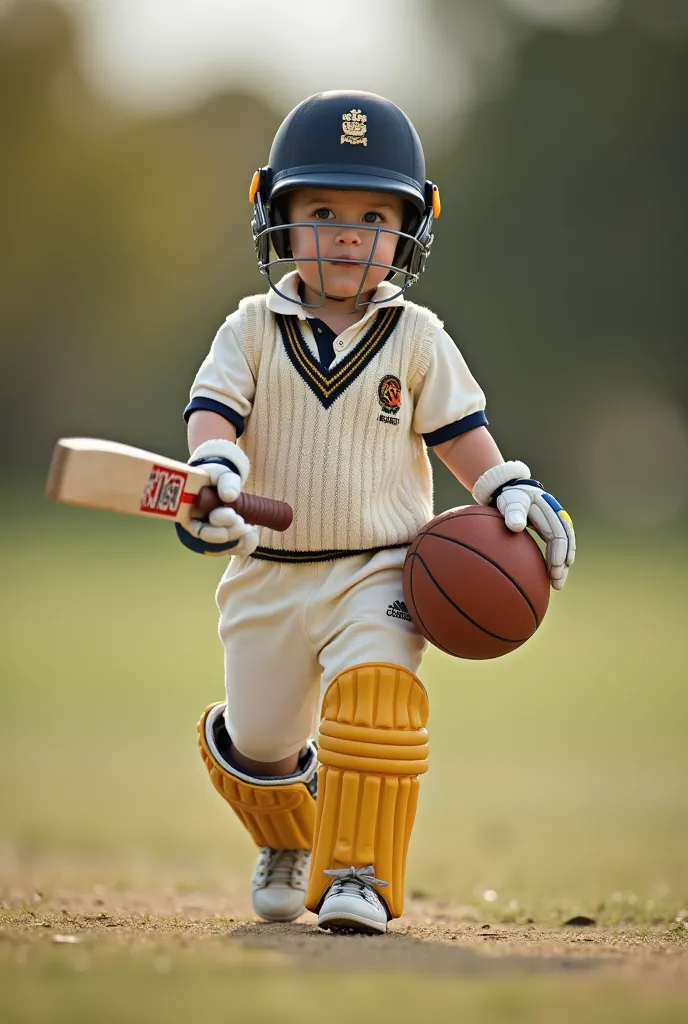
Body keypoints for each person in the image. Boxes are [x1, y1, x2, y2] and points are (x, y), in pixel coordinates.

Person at [177, 91, 576, 935]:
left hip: (382, 567)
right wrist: (212, 465)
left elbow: (461, 434)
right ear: (278, 216)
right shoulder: (250, 329)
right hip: (269, 578)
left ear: (409, 230)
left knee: (377, 699)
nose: (349, 233)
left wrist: (505, 486)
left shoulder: (417, 335)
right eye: (322, 210)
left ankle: (359, 873)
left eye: (372, 215)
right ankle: (290, 838)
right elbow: (214, 414)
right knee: (258, 745)